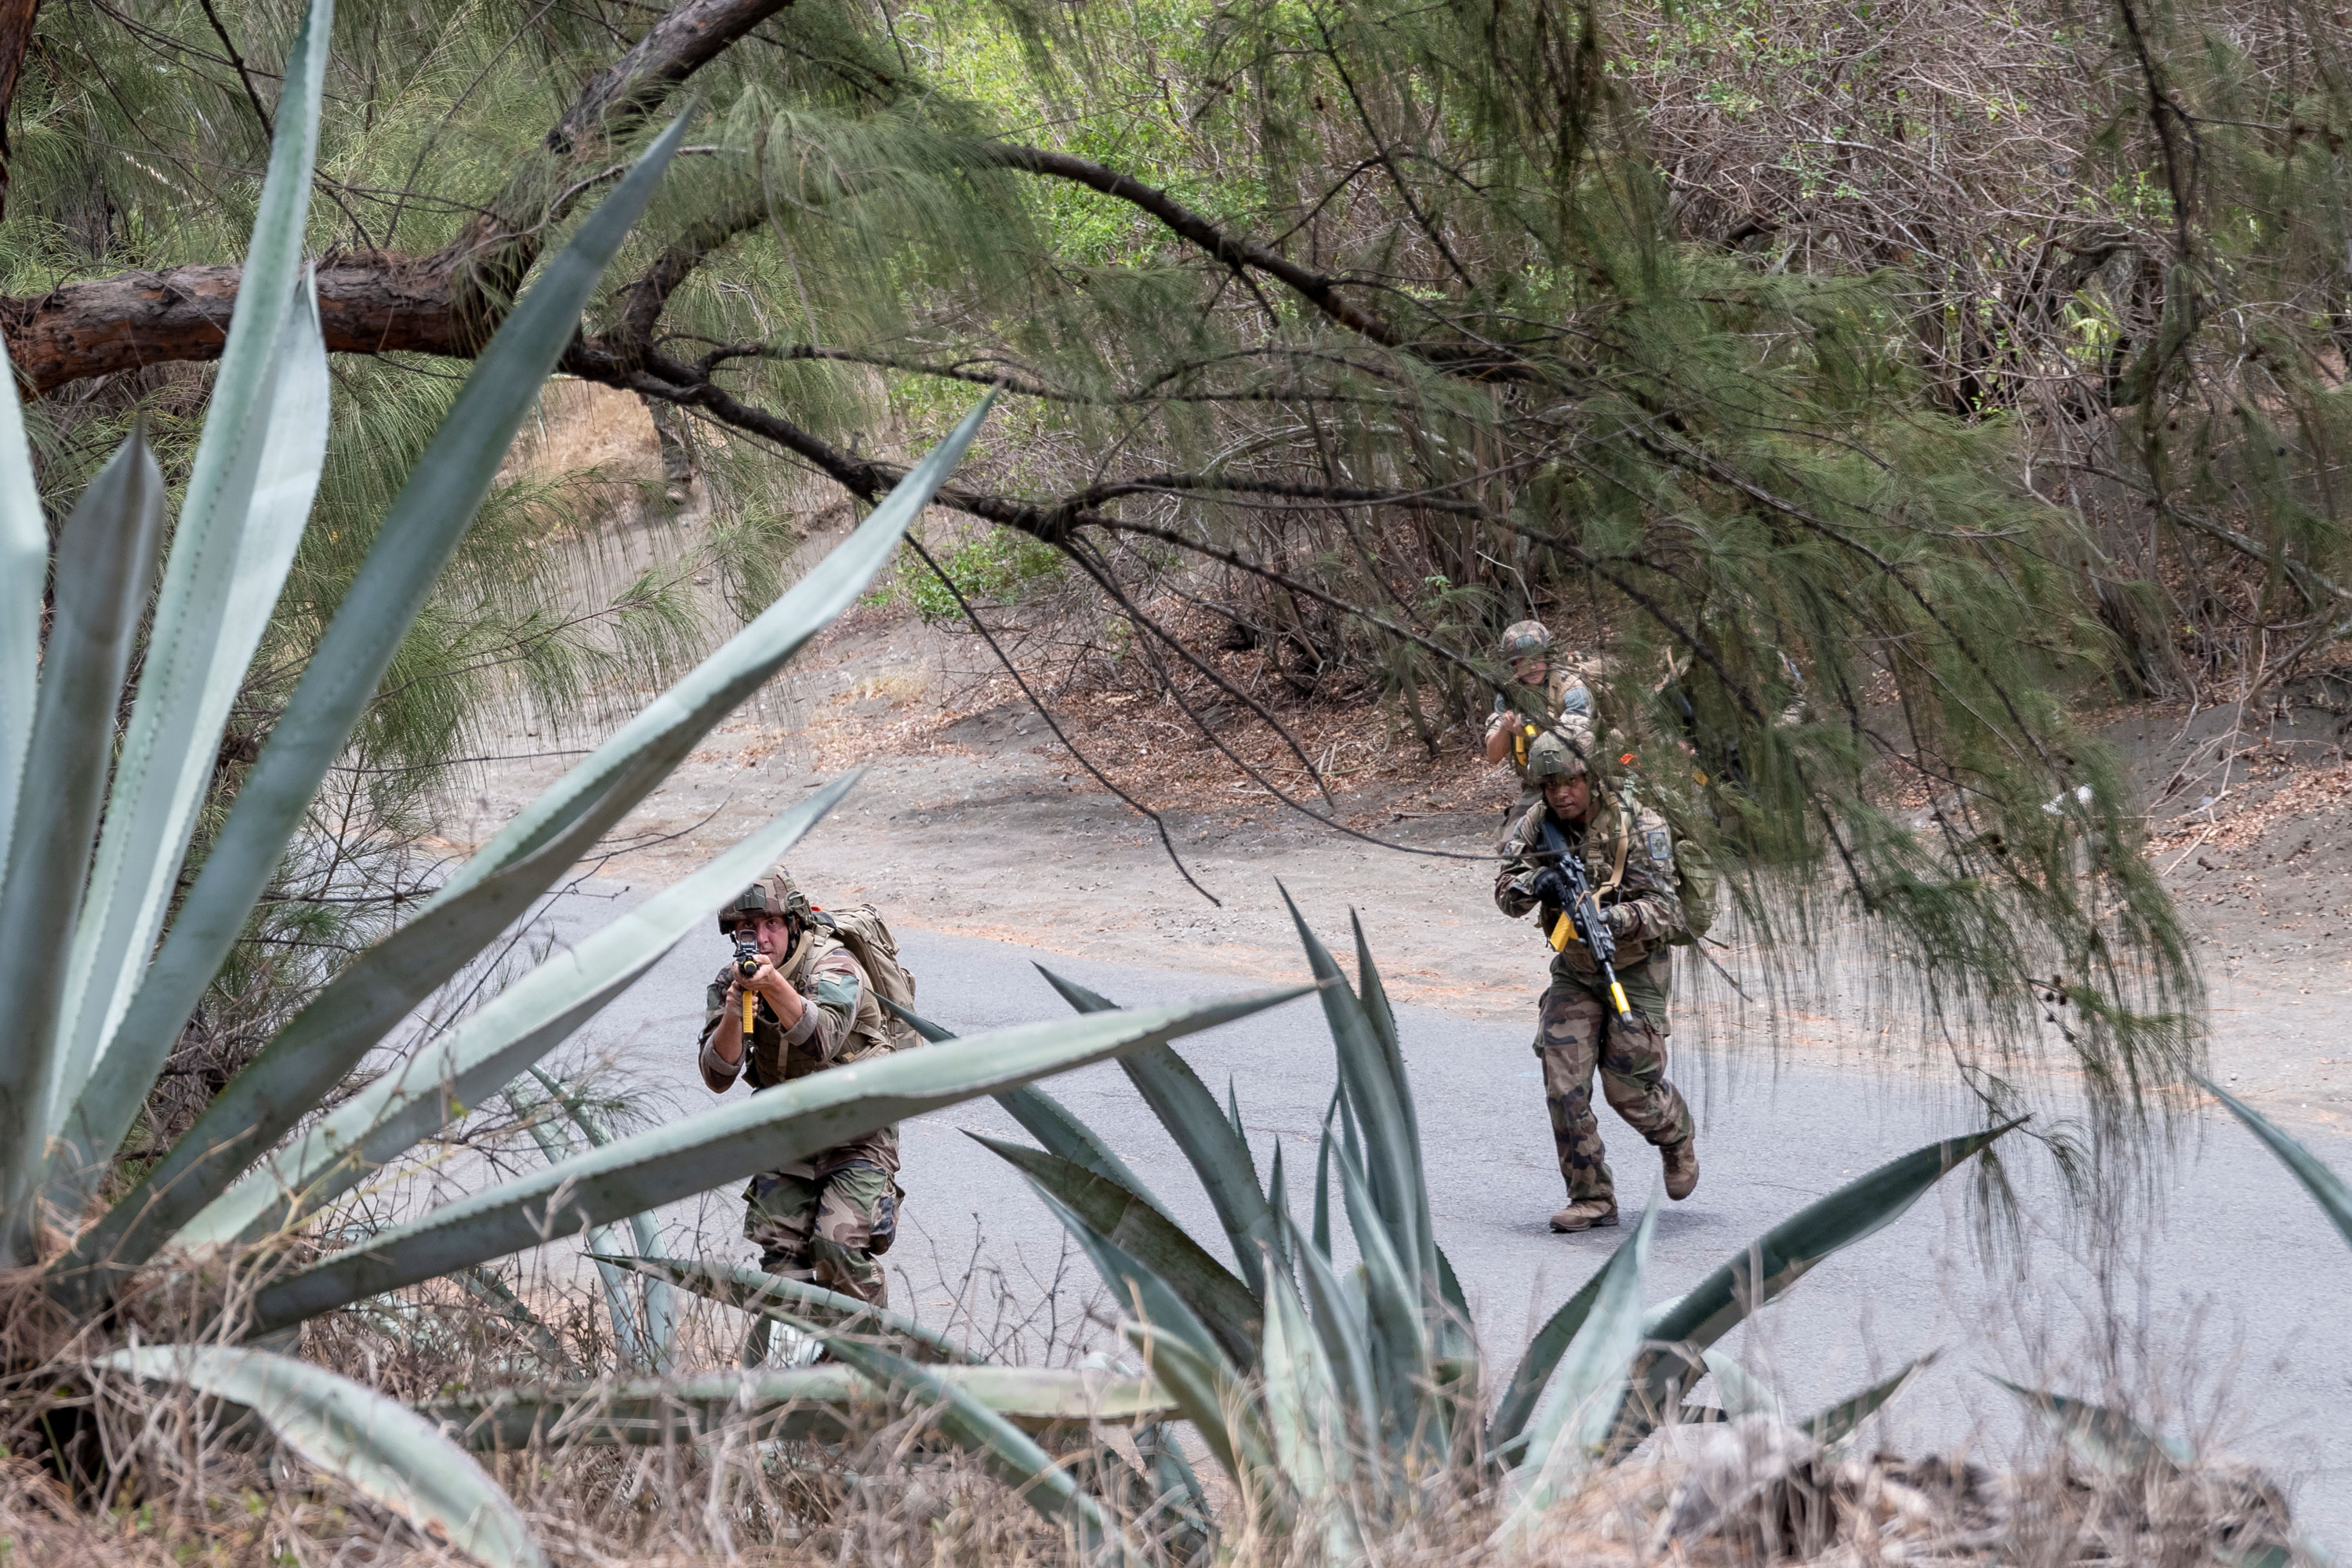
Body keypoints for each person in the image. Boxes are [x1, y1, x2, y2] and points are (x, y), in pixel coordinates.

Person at [1494, 725, 1699, 1232]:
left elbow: (1670, 912)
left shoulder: (1637, 825)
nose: (1561, 793)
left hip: (1635, 967)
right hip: (1575, 969)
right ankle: (1591, 1197)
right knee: (1564, 1085)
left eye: (1571, 781)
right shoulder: (1537, 823)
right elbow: (1504, 891)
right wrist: (1536, 883)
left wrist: (1615, 919)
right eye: (1550, 784)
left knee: (1628, 1089)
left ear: (1592, 777)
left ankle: (1676, 1137)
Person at [696, 864, 902, 1305]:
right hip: (789, 1130)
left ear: (793, 924)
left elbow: (822, 1039)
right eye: (749, 927)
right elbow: (717, 1075)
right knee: (782, 1264)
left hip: (857, 1131)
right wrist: (736, 1013)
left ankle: (876, 1359)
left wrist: (772, 986)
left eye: (772, 924)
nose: (763, 938)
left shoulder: (834, 965)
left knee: (838, 1249)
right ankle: (802, 1365)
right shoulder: (731, 983)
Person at [1483, 619, 1592, 820]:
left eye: (1537, 658)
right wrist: (1507, 730)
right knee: (1512, 845)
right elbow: (1493, 755)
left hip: (1579, 780)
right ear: (1514, 664)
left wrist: (1531, 734)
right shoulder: (1508, 696)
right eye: (1523, 660)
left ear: (1547, 656)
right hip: (1539, 784)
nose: (1532, 666)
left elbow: (1577, 742)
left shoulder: (1570, 686)